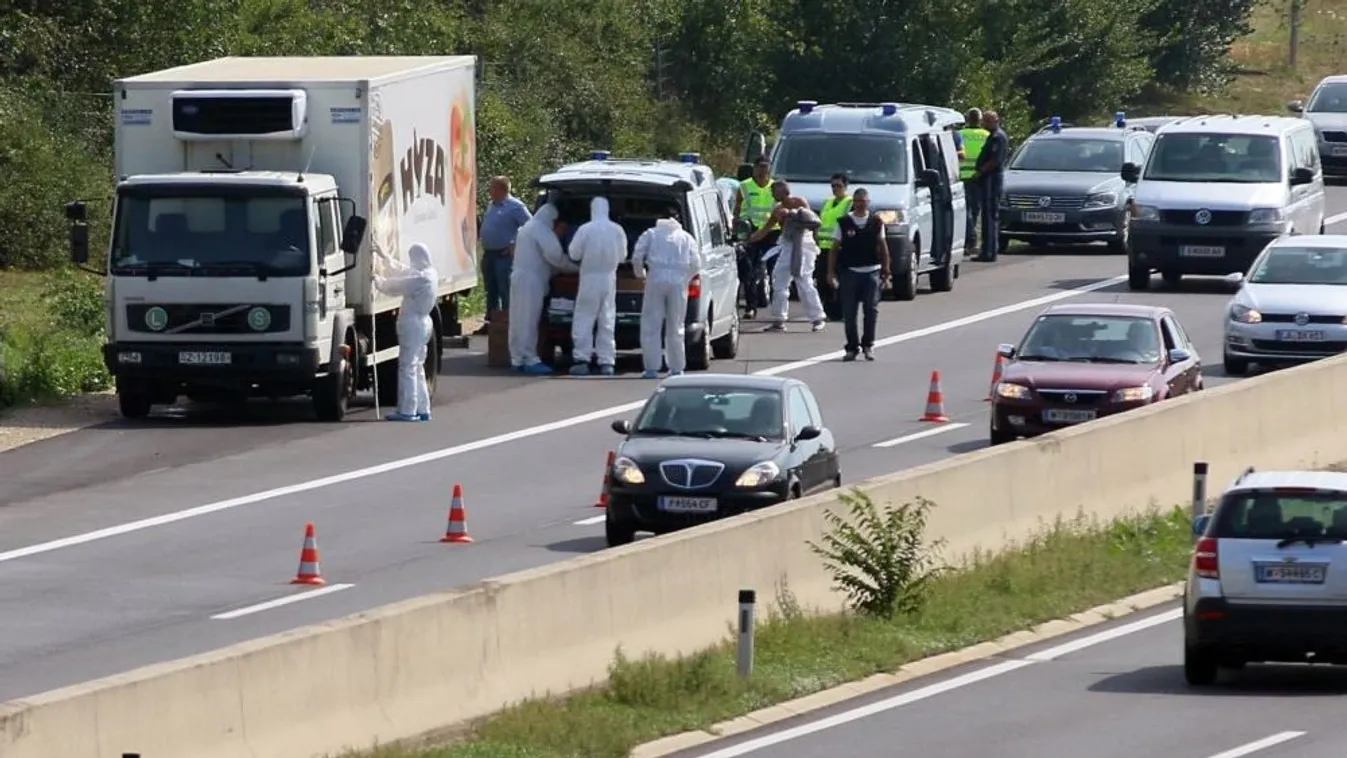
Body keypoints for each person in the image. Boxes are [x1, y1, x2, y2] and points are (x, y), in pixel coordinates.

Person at [631, 205, 703, 378]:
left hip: (656, 278)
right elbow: (696, 263)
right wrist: (685, 278)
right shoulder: (686, 237)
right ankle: (677, 367)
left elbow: (637, 256)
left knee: (651, 324)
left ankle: (651, 368)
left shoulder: (651, 234)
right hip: (678, 281)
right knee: (676, 325)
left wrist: (641, 274)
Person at [373, 243, 438, 421]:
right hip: (424, 324)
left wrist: (379, 282)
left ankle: (408, 410)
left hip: (413, 324)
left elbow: (398, 285)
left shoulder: (421, 278)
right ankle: (423, 408)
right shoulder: (430, 274)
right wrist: (384, 256)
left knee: (407, 367)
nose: (411, 261)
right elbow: (404, 272)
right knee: (417, 367)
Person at [752, 180, 826, 333]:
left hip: (804, 244)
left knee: (804, 280)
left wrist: (794, 215)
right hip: (787, 244)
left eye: (774, 192)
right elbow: (764, 230)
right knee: (779, 279)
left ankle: (817, 317)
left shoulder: (799, 202)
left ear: (782, 191)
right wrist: (748, 239)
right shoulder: (777, 210)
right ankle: (779, 319)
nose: (772, 195)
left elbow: (813, 222)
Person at [827, 188, 891, 362]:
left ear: (868, 202)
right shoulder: (844, 222)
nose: (861, 204)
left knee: (871, 309)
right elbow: (834, 249)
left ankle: (868, 345)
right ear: (853, 203)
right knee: (849, 312)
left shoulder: (876, 222)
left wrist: (886, 271)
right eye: (857, 201)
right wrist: (831, 272)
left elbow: (883, 247)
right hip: (850, 273)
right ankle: (852, 347)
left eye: (864, 201)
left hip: (872, 271)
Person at [566, 197, 627, 376]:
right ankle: (607, 361)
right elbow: (623, 256)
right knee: (607, 319)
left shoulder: (585, 229)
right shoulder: (617, 230)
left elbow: (574, 253)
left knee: (584, 318)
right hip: (609, 279)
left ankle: (582, 359)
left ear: (592, 209)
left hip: (589, 279)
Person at [508, 203, 566, 375]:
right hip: (531, 281)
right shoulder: (541, 229)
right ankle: (530, 358)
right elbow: (555, 256)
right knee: (529, 320)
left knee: (517, 319)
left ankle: (517, 358)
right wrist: (575, 267)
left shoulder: (526, 228)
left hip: (518, 277)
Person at [476, 176, 532, 334]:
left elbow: (530, 226)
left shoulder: (515, 206)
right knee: (490, 290)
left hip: (504, 256)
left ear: (501, 189)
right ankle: (491, 323)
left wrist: (515, 243)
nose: (489, 191)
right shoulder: (491, 205)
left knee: (505, 289)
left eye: (492, 188)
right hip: (489, 254)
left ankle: (509, 323)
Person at [734, 155, 777, 318]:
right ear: (755, 168)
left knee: (775, 271)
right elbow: (737, 209)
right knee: (749, 270)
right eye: (760, 166)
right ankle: (751, 307)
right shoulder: (744, 186)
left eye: (766, 166)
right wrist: (736, 229)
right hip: (750, 230)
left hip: (772, 231)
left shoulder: (775, 186)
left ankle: (777, 306)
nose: (763, 170)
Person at [972, 109, 1009, 262]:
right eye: (984, 120)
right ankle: (987, 250)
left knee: (989, 216)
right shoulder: (993, 136)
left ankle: (989, 252)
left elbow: (994, 161)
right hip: (990, 179)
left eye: (987, 121)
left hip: (991, 180)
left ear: (995, 121)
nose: (984, 123)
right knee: (987, 216)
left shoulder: (997, 138)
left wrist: (980, 172)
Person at [815, 173, 852, 321]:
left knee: (838, 282)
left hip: (839, 248)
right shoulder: (827, 202)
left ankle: (841, 311)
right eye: (833, 186)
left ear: (845, 187)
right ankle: (829, 311)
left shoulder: (849, 202)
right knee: (822, 281)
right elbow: (820, 221)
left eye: (838, 186)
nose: (835, 189)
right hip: (823, 247)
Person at [958, 109, 989, 254]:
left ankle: (968, 240)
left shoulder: (960, 134)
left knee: (966, 210)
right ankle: (971, 239)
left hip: (962, 175)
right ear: (981, 120)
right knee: (975, 210)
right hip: (979, 177)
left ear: (967, 119)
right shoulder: (986, 135)